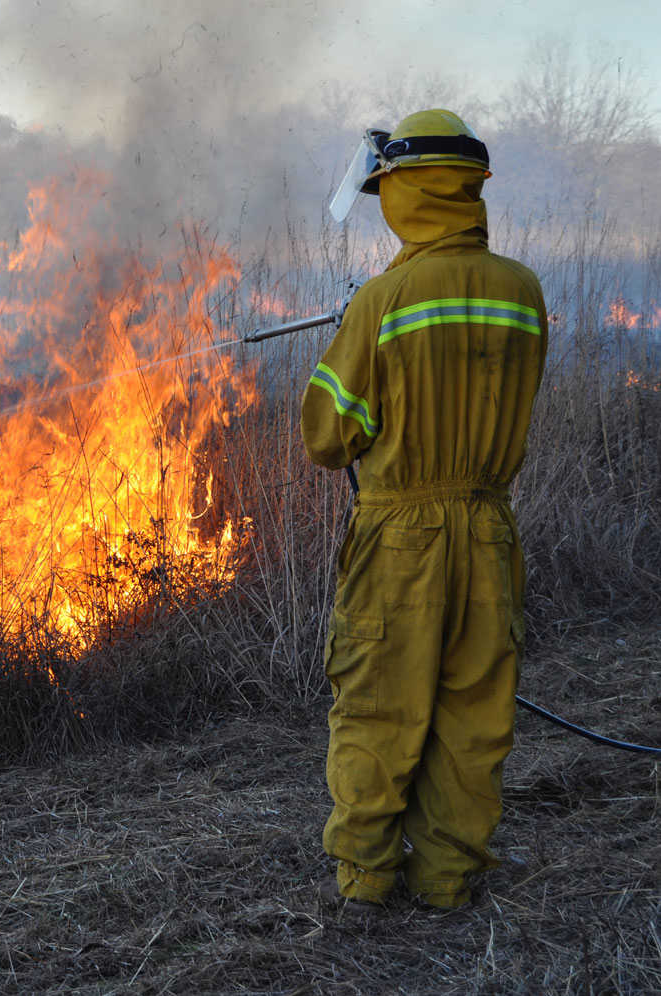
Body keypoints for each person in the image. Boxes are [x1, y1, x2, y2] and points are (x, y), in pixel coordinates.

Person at [302, 109, 548, 910]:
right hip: (488, 530)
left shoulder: (385, 300)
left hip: (401, 536)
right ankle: (447, 881)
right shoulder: (524, 291)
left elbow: (331, 435)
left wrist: (354, 335)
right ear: (471, 188)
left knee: (378, 705)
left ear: (404, 192)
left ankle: (367, 881)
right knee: (472, 715)